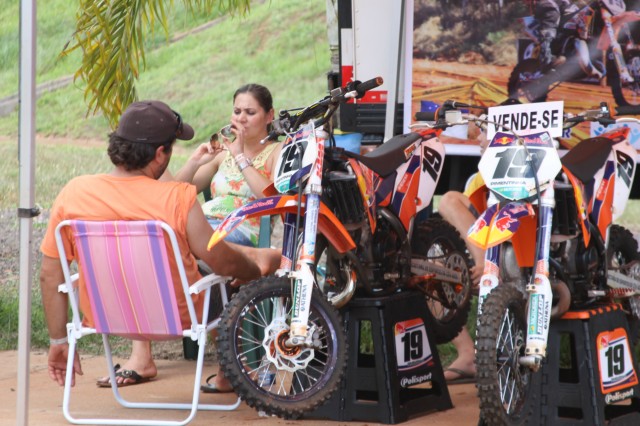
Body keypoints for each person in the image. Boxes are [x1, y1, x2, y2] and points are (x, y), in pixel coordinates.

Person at [39, 100, 280, 390]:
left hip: (104, 316)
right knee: (217, 281)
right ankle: (232, 368)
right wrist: (253, 269)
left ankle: (146, 358)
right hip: (178, 318)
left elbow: (50, 275)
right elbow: (223, 263)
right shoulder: (177, 199)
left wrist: (58, 341)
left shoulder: (73, 193)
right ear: (158, 154)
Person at [174, 83, 282, 247]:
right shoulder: (223, 152)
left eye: (250, 112)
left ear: (269, 116)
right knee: (167, 235)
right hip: (206, 223)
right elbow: (175, 192)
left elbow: (271, 198)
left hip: (241, 230)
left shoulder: (277, 150)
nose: (241, 118)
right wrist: (194, 162)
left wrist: (239, 156)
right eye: (237, 112)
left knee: (184, 240)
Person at [437, 122, 490, 384]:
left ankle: (485, 264)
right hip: (481, 259)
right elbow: (465, 226)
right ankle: (468, 353)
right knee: (428, 272)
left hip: (517, 260)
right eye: (479, 131)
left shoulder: (535, 174)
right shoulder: (479, 179)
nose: (479, 138)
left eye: (485, 131)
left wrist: (484, 260)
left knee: (448, 199)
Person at [535, 0, 603, 80]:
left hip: (559, 35)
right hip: (558, 37)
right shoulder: (582, 9)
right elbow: (583, 34)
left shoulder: (574, 6)